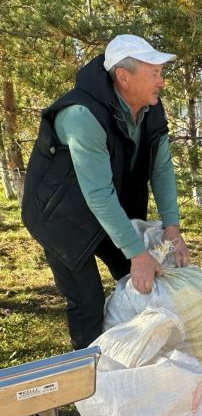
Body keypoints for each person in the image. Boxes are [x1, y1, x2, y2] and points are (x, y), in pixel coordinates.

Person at [21, 35, 189, 350]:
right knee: (87, 300)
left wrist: (172, 228)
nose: (161, 82)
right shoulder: (83, 115)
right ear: (123, 76)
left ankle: (136, 348)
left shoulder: (150, 108)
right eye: (154, 73)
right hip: (59, 215)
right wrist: (137, 253)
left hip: (106, 209)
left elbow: (162, 168)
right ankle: (94, 382)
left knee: (140, 276)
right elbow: (97, 193)